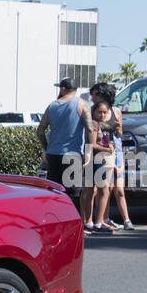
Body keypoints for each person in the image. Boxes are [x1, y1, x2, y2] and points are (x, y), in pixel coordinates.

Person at [37, 79, 93, 214]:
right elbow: (90, 129)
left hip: (53, 155)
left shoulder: (52, 106)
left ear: (62, 89)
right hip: (73, 155)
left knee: (55, 192)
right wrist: (88, 152)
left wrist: (46, 148)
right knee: (74, 193)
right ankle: (74, 225)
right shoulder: (82, 104)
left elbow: (40, 131)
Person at [88, 83, 133, 230]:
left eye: (94, 94)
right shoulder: (92, 112)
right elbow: (92, 137)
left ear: (103, 95)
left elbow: (118, 135)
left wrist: (119, 128)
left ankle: (107, 220)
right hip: (99, 153)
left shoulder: (115, 111)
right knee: (97, 189)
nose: (92, 97)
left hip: (114, 151)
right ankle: (95, 221)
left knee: (115, 188)